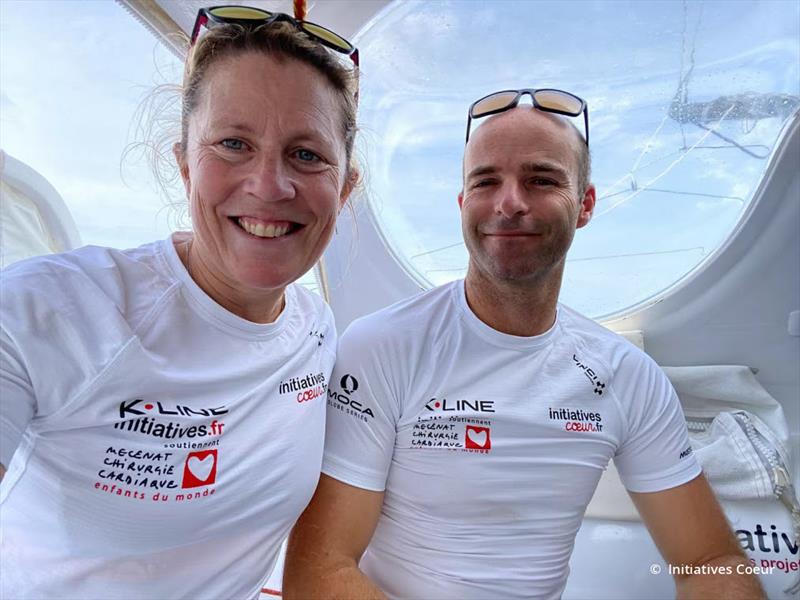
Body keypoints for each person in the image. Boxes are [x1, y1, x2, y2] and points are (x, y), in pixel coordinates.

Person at [283, 89, 764, 599]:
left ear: (585, 204)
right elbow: (319, 571)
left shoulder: (627, 375)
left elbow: (710, 559)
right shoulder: (384, 347)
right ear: (464, 204)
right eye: (486, 181)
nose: (510, 203)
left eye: (541, 180)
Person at [0, 6, 359, 599]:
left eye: (307, 154)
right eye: (234, 143)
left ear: (344, 188)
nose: (270, 186)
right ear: (186, 164)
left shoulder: (318, 332)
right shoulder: (53, 307)